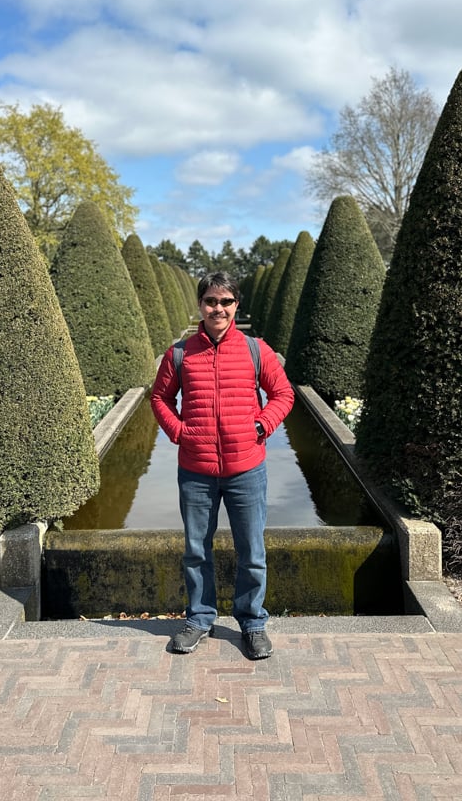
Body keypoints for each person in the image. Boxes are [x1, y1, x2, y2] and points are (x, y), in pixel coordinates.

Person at [150, 271, 294, 660]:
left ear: (236, 306)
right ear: (200, 305)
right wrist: (180, 431)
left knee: (252, 550)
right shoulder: (179, 353)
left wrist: (261, 424)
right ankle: (199, 619)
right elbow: (160, 399)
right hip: (196, 470)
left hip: (247, 467)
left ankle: (253, 623)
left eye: (226, 301)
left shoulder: (255, 350)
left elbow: (283, 393)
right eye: (211, 301)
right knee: (196, 550)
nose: (219, 308)